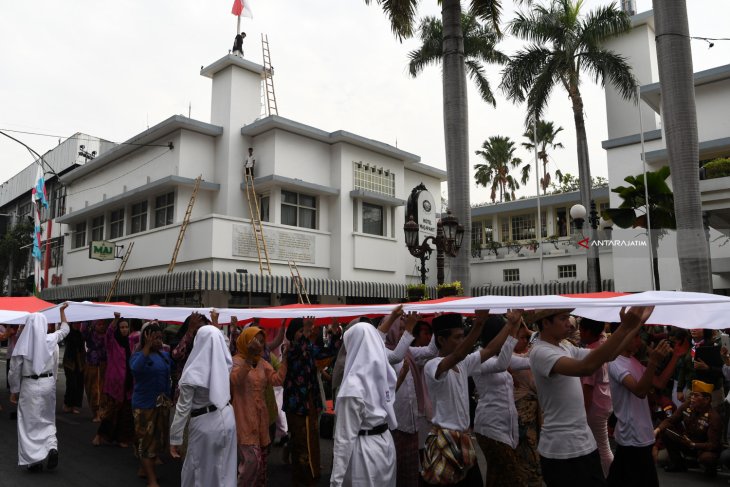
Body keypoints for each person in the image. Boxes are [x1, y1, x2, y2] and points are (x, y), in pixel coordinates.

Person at [527, 306, 653, 487]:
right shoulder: (540, 351)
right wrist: (625, 328)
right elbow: (585, 367)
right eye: (562, 318)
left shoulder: (564, 346)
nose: (569, 324)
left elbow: (609, 354)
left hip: (584, 444)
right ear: (545, 323)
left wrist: (636, 324)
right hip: (561, 450)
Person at [421, 309, 521, 486]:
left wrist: (511, 324)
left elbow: (491, 349)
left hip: (464, 439)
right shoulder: (432, 365)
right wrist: (479, 323)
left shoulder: (463, 363)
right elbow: (459, 354)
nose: (461, 341)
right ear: (442, 340)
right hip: (445, 439)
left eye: (462, 337)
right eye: (457, 337)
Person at [330, 321, 398, 487]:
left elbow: (344, 440)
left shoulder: (353, 387)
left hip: (364, 452)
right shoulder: (383, 373)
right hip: (385, 445)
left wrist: (335, 482)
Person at [170, 326, 237, 487]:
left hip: (205, 424)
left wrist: (175, 438)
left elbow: (182, 409)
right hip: (228, 418)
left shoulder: (192, 373)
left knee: (198, 470)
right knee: (225, 471)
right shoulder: (225, 364)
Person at [606, 326, 673, 487]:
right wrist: (653, 362)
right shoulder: (615, 362)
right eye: (635, 336)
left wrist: (676, 356)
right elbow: (640, 390)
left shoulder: (633, 360)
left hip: (641, 433)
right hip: (632, 434)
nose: (640, 341)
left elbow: (659, 382)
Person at [9, 303, 70, 472]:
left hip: (29, 385)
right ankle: (51, 447)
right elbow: (65, 330)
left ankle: (33, 461)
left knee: (29, 423)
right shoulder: (51, 340)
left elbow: (14, 370)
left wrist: (14, 391)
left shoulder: (21, 345)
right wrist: (61, 312)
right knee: (47, 419)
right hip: (48, 385)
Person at [283, 316, 342, 486]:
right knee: (300, 444)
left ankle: (311, 476)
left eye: (304, 331)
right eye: (300, 331)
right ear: (293, 334)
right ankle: (302, 479)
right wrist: (307, 329)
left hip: (309, 403)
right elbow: (299, 349)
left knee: (312, 442)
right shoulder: (290, 348)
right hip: (296, 405)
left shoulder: (307, 347)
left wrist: (335, 335)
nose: (304, 334)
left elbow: (328, 352)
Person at [473, 315, 531, 487]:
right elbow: (501, 364)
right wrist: (513, 330)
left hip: (503, 426)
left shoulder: (500, 355)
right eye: (503, 332)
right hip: (491, 426)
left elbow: (526, 362)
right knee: (515, 477)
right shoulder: (478, 357)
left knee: (497, 476)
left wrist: (534, 337)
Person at [231, 325, 288, 486]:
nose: (259, 345)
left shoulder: (263, 363)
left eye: (262, 342)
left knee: (261, 464)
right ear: (246, 341)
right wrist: (248, 358)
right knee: (251, 461)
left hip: (261, 418)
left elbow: (277, 380)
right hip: (244, 418)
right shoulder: (236, 361)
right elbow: (236, 381)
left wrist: (286, 358)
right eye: (256, 341)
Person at [384, 315, 437, 487]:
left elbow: (430, 351)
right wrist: (410, 327)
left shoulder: (409, 351)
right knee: (395, 471)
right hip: (395, 424)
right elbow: (396, 357)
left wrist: (437, 322)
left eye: (403, 330)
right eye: (399, 329)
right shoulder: (383, 353)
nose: (402, 333)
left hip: (411, 421)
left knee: (411, 471)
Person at [130, 321, 172, 487]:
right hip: (144, 405)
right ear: (145, 338)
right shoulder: (138, 355)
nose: (158, 341)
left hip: (161, 405)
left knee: (158, 441)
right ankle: (152, 480)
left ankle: (144, 468)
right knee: (146, 442)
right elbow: (136, 369)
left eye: (160, 338)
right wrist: (146, 347)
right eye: (154, 338)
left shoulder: (164, 355)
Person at [657, 379, 723, 476]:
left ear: (707, 399)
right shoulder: (687, 406)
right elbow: (671, 420)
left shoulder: (713, 417)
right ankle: (678, 464)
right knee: (665, 431)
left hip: (702, 449)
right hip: (687, 442)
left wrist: (694, 445)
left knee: (707, 458)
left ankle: (710, 469)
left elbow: (713, 445)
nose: (692, 398)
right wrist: (657, 430)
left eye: (696, 396)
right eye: (692, 395)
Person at [578, 318, 613, 477]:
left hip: (595, 405)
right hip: (604, 401)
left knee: (602, 447)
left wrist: (583, 413)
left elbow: (588, 387)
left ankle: (610, 478)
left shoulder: (592, 353)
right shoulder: (603, 344)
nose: (579, 332)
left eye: (581, 329)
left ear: (589, 332)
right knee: (600, 446)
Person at [93, 313, 134, 447]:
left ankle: (122, 439)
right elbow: (109, 334)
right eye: (121, 327)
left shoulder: (129, 342)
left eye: (126, 327)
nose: (124, 329)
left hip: (127, 384)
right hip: (114, 384)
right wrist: (115, 320)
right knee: (111, 413)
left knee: (124, 414)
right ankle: (99, 435)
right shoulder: (113, 343)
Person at [511, 323, 543, 487]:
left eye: (526, 338)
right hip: (522, 412)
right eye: (521, 338)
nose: (526, 341)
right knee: (528, 456)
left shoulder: (522, 356)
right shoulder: (511, 358)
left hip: (533, 411)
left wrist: (529, 332)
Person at [83, 319, 108, 422]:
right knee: (93, 389)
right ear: (94, 326)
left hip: (104, 364)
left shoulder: (107, 335)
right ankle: (96, 412)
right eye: (99, 324)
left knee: (104, 389)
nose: (101, 326)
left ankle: (102, 411)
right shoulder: (90, 335)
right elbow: (83, 329)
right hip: (92, 364)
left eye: (103, 324)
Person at [62, 321, 85, 414]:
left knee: (79, 384)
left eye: (79, 323)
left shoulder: (80, 334)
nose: (78, 325)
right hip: (69, 362)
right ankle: (67, 404)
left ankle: (75, 405)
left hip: (79, 362)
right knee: (71, 384)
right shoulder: (68, 333)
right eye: (76, 323)